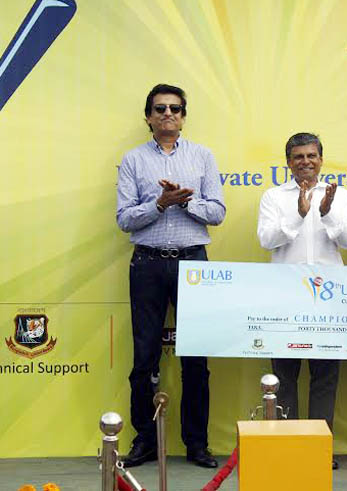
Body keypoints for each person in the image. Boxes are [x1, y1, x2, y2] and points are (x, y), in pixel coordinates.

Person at [116, 83, 225, 468]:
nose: (168, 114)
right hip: (146, 263)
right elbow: (125, 218)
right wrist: (160, 203)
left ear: (183, 116)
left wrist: (186, 200)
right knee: (144, 357)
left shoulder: (203, 157)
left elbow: (217, 212)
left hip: (193, 262)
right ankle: (144, 439)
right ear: (148, 117)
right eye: (159, 109)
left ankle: (197, 444)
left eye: (175, 109)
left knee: (196, 358)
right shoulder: (132, 160)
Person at [257, 132, 347, 470]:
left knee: (325, 376)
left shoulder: (339, 195)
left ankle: (319, 448)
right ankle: (289, 447)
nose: (305, 162)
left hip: (328, 302)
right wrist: (298, 215)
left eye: (311, 156)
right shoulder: (274, 196)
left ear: (321, 159)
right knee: (284, 376)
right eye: (298, 157)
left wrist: (326, 212)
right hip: (284, 299)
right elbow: (266, 240)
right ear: (288, 162)